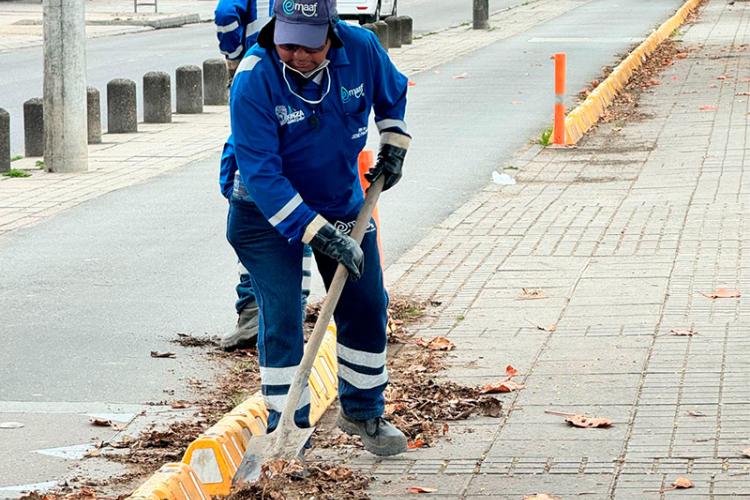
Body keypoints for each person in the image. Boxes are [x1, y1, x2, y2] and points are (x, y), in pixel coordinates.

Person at [225, 0, 411, 456]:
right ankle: (289, 428)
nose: (299, 55)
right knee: (283, 314)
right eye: (288, 44)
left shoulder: (363, 48)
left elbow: (392, 96)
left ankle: (363, 412)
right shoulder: (254, 78)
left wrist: (393, 142)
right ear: (275, 32)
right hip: (262, 213)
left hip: (339, 200)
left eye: (310, 46)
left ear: (333, 32)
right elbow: (263, 174)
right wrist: (319, 234)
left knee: (367, 302)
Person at [215, 0, 313, 351]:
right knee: (299, 209)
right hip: (306, 96)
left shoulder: (253, 72)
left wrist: (233, 54)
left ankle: (255, 313)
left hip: (260, 76)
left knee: (253, 210)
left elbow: (227, 15)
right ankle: (290, 311)